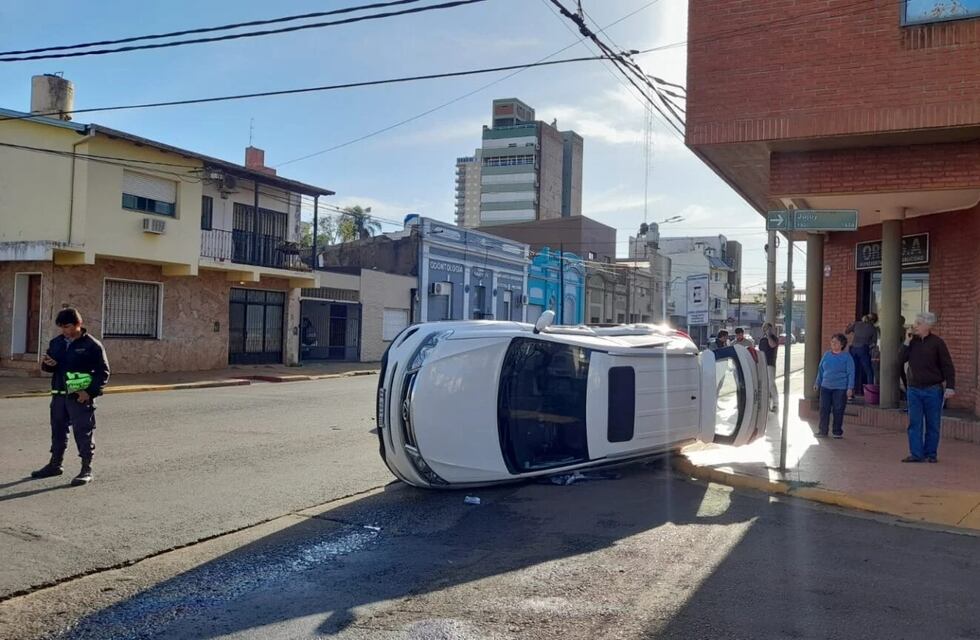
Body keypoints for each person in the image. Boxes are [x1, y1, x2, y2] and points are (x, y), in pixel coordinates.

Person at [31, 308, 110, 486]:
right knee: (58, 430)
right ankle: (55, 465)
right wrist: (48, 364)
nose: (64, 331)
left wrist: (89, 392)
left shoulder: (92, 345)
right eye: (61, 327)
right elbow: (49, 367)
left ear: (78, 324)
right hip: (59, 394)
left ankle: (86, 469)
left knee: (83, 432)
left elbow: (103, 373)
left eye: (67, 326)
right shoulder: (57, 342)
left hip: (80, 396)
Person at [900, 312, 955, 463]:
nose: (914, 326)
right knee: (914, 423)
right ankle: (916, 454)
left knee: (933, 423)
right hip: (914, 389)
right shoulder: (911, 342)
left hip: (933, 389)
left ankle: (931, 454)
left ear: (927, 326)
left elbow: (947, 365)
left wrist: (950, 386)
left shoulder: (937, 343)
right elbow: (900, 359)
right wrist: (906, 342)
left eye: (918, 323)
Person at [814, 333, 855, 439]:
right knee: (824, 409)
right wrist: (817, 382)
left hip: (840, 388)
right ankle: (823, 430)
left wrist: (850, 387)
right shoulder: (827, 355)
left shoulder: (847, 357)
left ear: (842, 344)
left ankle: (837, 431)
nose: (833, 344)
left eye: (836, 342)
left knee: (838, 409)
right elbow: (821, 370)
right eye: (832, 342)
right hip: (825, 386)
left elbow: (851, 373)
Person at [846, 314, 877, 396]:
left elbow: (846, 331)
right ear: (874, 321)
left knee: (853, 370)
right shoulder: (873, 329)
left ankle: (852, 392)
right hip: (863, 349)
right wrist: (868, 347)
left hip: (853, 349)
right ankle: (870, 393)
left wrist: (850, 326)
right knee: (868, 371)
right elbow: (874, 343)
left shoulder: (857, 324)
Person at [758, 322, 779, 412]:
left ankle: (775, 403)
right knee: (763, 384)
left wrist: (769, 335)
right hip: (762, 363)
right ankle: (766, 402)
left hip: (770, 363)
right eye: (765, 328)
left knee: (771, 383)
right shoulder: (762, 340)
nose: (766, 330)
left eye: (768, 328)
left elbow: (772, 345)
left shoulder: (774, 338)